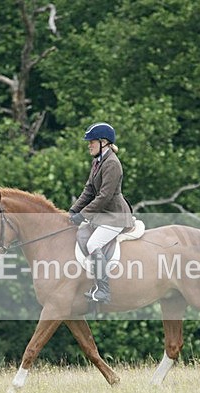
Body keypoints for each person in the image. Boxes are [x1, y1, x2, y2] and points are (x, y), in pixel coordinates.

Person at [68, 122, 133, 304]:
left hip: (115, 216)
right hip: (103, 214)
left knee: (93, 244)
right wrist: (73, 210)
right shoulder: (97, 161)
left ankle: (103, 290)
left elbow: (104, 196)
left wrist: (83, 215)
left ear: (104, 142)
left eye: (92, 142)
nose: (89, 145)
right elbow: (89, 190)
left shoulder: (112, 164)